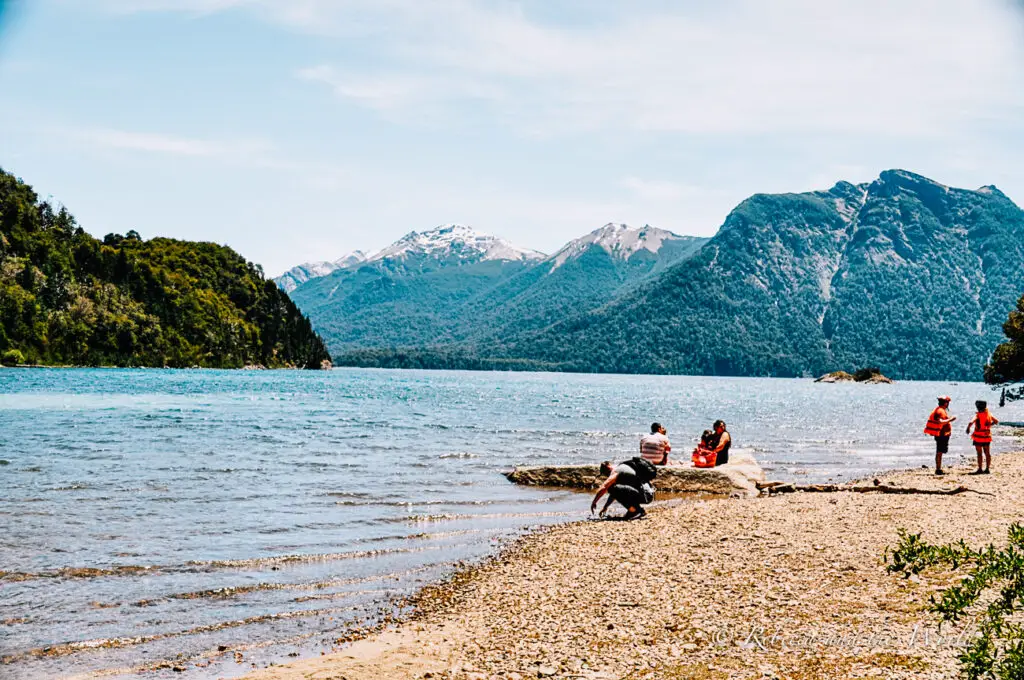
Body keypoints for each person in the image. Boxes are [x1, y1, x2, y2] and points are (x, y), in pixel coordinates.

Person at [591, 458, 655, 520]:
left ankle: (635, 511)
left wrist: (594, 502)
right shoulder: (622, 467)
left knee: (610, 488)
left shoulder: (616, 472)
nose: (607, 476)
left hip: (645, 495)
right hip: (648, 494)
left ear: (608, 468)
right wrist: (605, 507)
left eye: (605, 474)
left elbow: (604, 487)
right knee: (615, 489)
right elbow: (615, 494)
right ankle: (636, 510)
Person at [924, 395, 956, 475]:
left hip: (942, 434)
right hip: (941, 434)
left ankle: (938, 468)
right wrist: (951, 419)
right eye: (947, 402)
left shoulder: (940, 410)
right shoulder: (940, 411)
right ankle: (938, 469)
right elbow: (940, 421)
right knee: (939, 451)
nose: (948, 404)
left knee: (940, 451)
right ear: (945, 403)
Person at [965, 400, 998, 475]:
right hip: (987, 436)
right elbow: (996, 421)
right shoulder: (989, 414)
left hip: (978, 437)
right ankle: (987, 469)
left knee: (979, 453)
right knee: (987, 453)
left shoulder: (977, 415)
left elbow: (970, 422)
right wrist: (989, 426)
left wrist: (968, 428)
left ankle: (980, 468)